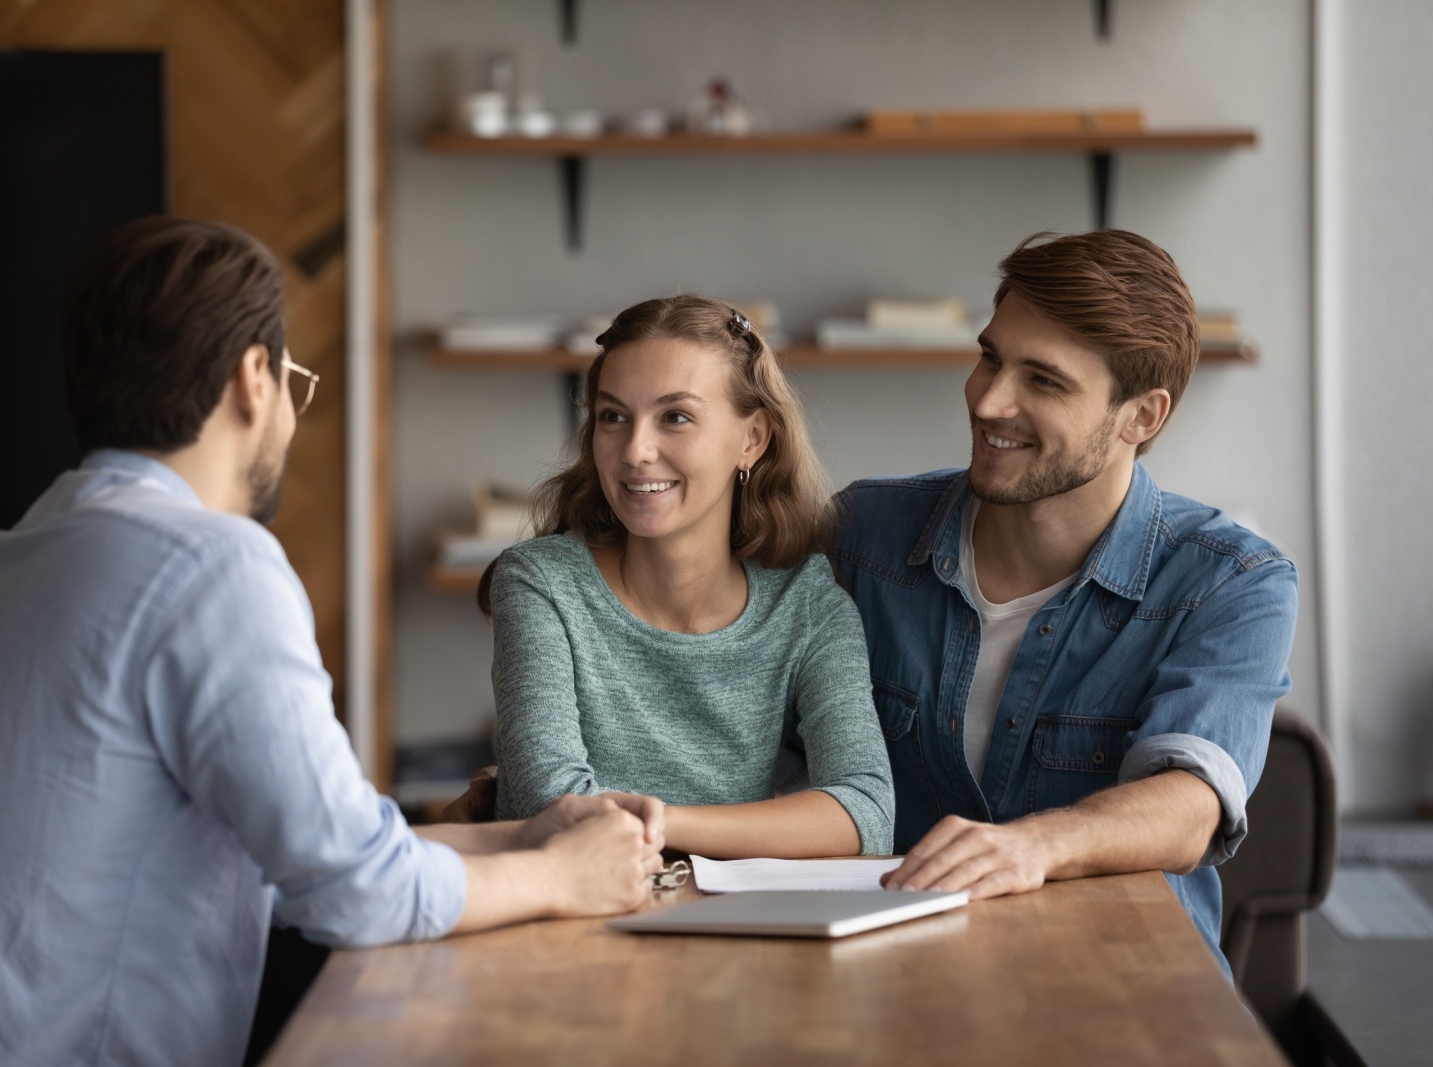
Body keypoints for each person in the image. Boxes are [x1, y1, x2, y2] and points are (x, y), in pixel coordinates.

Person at [0, 217, 663, 1067]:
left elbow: (296, 852)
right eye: (293, 380)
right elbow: (357, 891)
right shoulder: (210, 564)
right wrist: (562, 878)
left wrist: (529, 834)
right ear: (255, 378)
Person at [836, 230, 1297, 963]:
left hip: (1121, 985)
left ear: (1141, 416)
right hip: (897, 974)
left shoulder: (1233, 580)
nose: (989, 401)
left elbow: (1188, 803)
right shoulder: (862, 535)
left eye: (1043, 381)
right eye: (990, 356)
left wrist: (1035, 845)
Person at [482, 294, 895, 859]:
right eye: (613, 417)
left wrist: (660, 822)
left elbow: (865, 814)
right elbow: (549, 806)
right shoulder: (541, 585)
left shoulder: (807, 606)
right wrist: (754, 827)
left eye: (675, 416)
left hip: (734, 925)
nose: (635, 450)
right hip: (569, 926)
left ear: (752, 439)